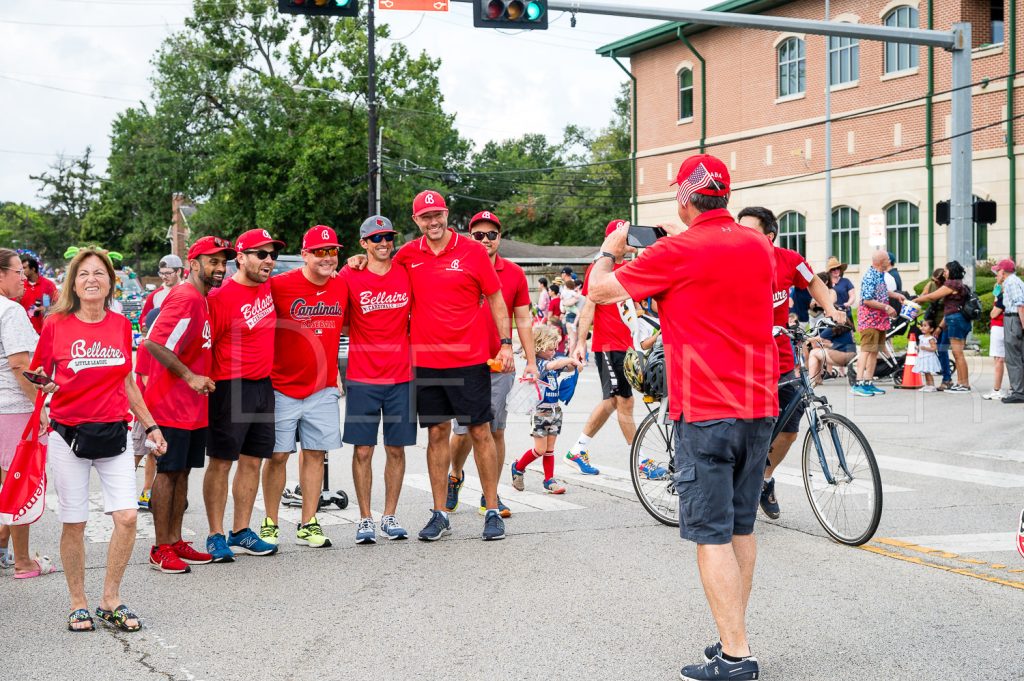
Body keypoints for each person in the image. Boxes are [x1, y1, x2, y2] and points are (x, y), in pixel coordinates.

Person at [586, 154, 776, 681]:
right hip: (759, 401)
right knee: (741, 526)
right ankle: (733, 636)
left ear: (686, 198)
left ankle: (736, 655)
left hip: (707, 406)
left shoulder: (677, 251)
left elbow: (599, 290)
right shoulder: (758, 245)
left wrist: (611, 249)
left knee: (711, 535)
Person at [350, 190, 514, 542]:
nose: (433, 221)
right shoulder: (409, 254)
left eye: (437, 214)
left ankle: (491, 509)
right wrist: (358, 258)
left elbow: (496, 299)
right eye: (425, 217)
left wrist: (505, 343)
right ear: (416, 221)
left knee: (480, 431)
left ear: (446, 214)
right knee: (437, 434)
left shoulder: (472, 251)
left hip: (469, 359)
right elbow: (379, 263)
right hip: (425, 362)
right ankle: (440, 513)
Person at [30, 247, 167, 632]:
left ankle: (110, 599)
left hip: (115, 434)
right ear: (73, 284)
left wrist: (151, 426)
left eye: (99, 273)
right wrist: (43, 397)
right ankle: (78, 602)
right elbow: (37, 372)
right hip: (68, 436)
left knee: (127, 517)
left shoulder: (121, 325)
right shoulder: (56, 324)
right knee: (74, 521)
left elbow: (127, 381)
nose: (92, 279)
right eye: (84, 274)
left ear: (110, 282)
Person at [736, 207, 846, 521]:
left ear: (769, 236)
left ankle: (763, 480)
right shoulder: (732, 262)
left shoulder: (789, 260)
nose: (741, 236)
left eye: (749, 231)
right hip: (743, 358)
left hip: (781, 355)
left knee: (790, 428)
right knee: (747, 426)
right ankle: (732, 479)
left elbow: (814, 283)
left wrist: (831, 309)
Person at [143, 237, 230, 573]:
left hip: (192, 407)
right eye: (213, 262)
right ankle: (160, 548)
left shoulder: (202, 298)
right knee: (167, 473)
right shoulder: (186, 297)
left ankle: (175, 540)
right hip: (170, 405)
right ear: (193, 264)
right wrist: (190, 376)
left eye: (223, 262)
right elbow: (153, 342)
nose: (220, 268)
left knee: (182, 472)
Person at [259, 226, 348, 548]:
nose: (328, 257)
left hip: (322, 387)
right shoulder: (278, 285)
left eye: (332, 251)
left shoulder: (342, 285)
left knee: (315, 454)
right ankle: (270, 522)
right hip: (281, 385)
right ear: (305, 254)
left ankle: (308, 523)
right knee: (278, 455)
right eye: (320, 251)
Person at [445, 211, 537, 518]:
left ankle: (490, 495)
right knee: (463, 431)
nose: (485, 240)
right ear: (470, 237)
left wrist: (531, 362)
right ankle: (455, 475)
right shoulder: (458, 267)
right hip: (464, 362)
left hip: (500, 363)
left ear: (500, 237)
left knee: (495, 430)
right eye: (479, 235)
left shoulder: (514, 273)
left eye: (491, 235)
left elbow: (523, 319)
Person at [203, 229, 282, 561]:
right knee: (222, 462)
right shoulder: (220, 297)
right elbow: (205, 346)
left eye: (272, 255)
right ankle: (215, 534)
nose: (269, 260)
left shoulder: (269, 286)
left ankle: (241, 530)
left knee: (253, 460)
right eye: (261, 254)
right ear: (241, 257)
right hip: (229, 386)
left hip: (263, 384)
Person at [338, 217, 415, 544]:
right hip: (362, 377)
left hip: (401, 376)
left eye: (388, 237)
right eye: (376, 238)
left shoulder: (405, 271)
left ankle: (390, 516)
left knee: (396, 449)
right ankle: (365, 518)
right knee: (363, 451)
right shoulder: (349, 274)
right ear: (364, 243)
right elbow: (339, 322)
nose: (384, 243)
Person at [567, 219, 642, 477]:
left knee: (610, 402)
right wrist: (580, 342)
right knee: (625, 401)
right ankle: (639, 460)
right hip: (609, 346)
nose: (627, 241)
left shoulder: (631, 268)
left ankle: (578, 449)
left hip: (627, 346)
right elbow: (588, 308)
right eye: (623, 237)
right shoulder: (599, 268)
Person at [0, 248, 53, 578]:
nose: (24, 278)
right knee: (19, 483)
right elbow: (20, 365)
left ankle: (4, 547)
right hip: (13, 409)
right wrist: (39, 407)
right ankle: (23, 561)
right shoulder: (10, 311)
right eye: (18, 271)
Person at [510, 325, 581, 495]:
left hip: (555, 411)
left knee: (549, 450)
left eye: (555, 348)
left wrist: (575, 363)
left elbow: (568, 368)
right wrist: (569, 360)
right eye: (550, 348)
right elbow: (554, 364)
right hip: (540, 412)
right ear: (539, 347)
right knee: (540, 450)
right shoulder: (538, 364)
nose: (553, 351)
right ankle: (518, 467)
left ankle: (549, 480)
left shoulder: (553, 361)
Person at [914, 261, 971, 393]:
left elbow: (932, 297)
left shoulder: (952, 284)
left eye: (946, 270)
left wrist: (916, 300)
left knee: (958, 354)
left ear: (952, 271)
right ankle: (961, 383)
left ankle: (964, 384)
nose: (944, 272)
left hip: (956, 321)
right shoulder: (958, 283)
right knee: (958, 354)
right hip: (957, 320)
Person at [852, 251, 899, 397]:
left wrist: (896, 295)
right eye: (887, 259)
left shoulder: (880, 275)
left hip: (879, 321)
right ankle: (858, 383)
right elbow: (867, 300)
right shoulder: (870, 276)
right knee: (866, 350)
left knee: (874, 351)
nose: (889, 262)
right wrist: (886, 307)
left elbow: (881, 292)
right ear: (880, 262)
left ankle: (868, 382)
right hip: (870, 320)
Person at [993, 259, 1024, 404]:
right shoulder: (1013, 281)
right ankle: (1020, 390)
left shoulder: (1011, 282)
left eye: (997, 271)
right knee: (1019, 356)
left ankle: (1018, 392)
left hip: (1013, 319)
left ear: (1003, 271)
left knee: (1013, 357)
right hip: (1014, 319)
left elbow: (1020, 304)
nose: (996, 274)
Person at [922, 268, 953, 390]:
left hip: (945, 323)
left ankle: (947, 379)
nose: (934, 283)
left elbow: (948, 311)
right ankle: (933, 380)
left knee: (942, 349)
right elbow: (924, 297)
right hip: (933, 323)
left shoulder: (948, 288)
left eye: (936, 281)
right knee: (934, 350)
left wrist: (940, 327)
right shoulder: (930, 285)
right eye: (932, 280)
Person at [140, 254, 184, 332]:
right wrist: (145, 327)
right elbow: (144, 319)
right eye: (161, 273)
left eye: (168, 273)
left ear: (179, 271)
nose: (163, 277)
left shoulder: (190, 292)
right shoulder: (154, 296)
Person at [19, 255, 58, 335]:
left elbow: (58, 305)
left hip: (44, 331)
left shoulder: (48, 284)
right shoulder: (20, 285)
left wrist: (46, 308)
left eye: (24, 268)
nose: (22, 271)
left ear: (33, 269)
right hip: (24, 331)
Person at [984, 277, 1006, 400]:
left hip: (999, 327)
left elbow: (993, 314)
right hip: (1002, 327)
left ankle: (997, 390)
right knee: (1001, 359)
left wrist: (997, 297)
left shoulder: (1003, 297)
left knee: (998, 359)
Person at [913, 318, 942, 392]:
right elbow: (921, 345)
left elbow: (934, 348)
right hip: (923, 357)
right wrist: (918, 347)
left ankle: (932, 386)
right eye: (922, 325)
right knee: (925, 372)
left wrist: (925, 348)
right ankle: (927, 385)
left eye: (925, 326)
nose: (922, 327)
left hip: (928, 357)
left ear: (931, 329)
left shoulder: (931, 338)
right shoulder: (921, 337)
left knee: (928, 372)